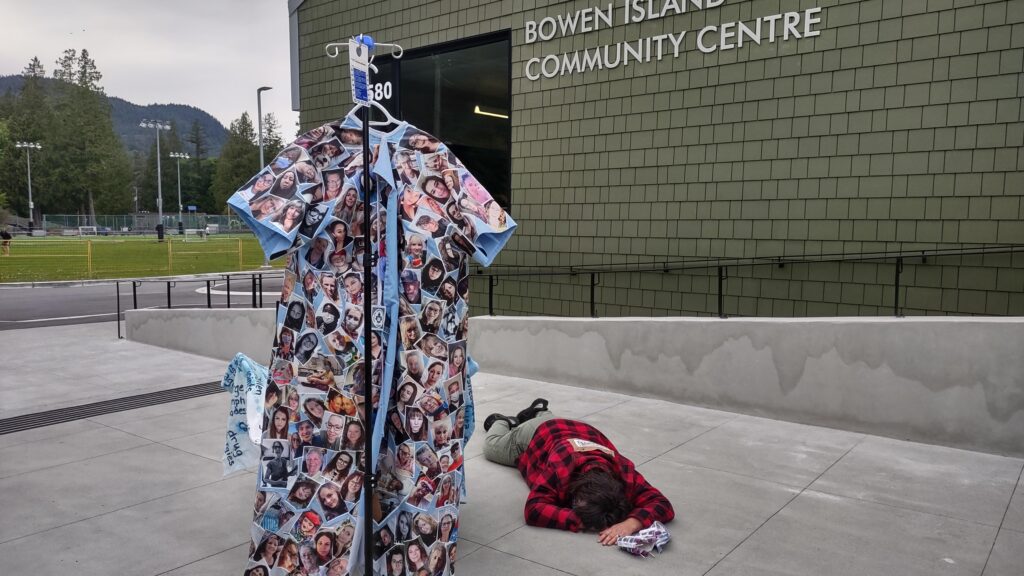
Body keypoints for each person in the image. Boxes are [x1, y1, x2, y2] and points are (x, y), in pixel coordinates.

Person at [483, 399, 675, 544]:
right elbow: (534, 509)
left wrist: (631, 524)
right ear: (576, 490)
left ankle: (540, 411)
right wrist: (582, 521)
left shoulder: (624, 473)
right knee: (492, 447)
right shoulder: (561, 466)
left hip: (575, 428)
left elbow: (662, 504)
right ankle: (502, 421)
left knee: (550, 420)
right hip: (536, 434)